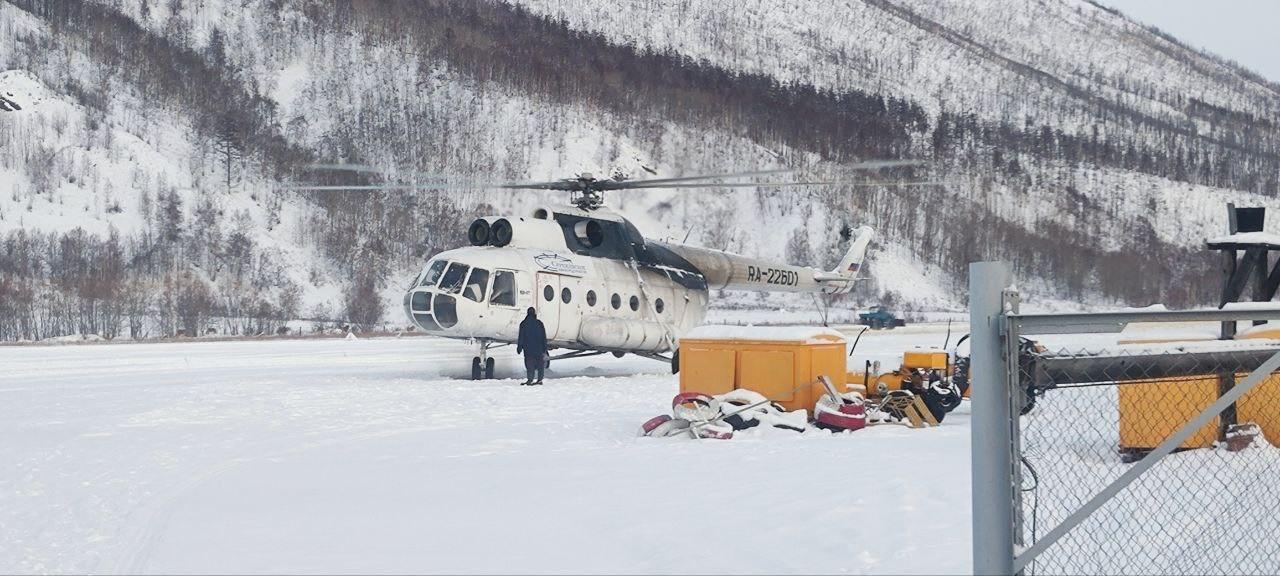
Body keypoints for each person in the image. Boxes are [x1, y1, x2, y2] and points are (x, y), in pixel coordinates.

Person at [516, 307, 547, 385]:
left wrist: (519, 347)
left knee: (530, 364)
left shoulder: (523, 323)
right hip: (538, 348)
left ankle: (530, 379)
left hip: (528, 349)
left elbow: (521, 337)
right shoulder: (539, 323)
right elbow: (544, 336)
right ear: (534, 313)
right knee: (540, 364)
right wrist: (544, 348)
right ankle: (540, 380)